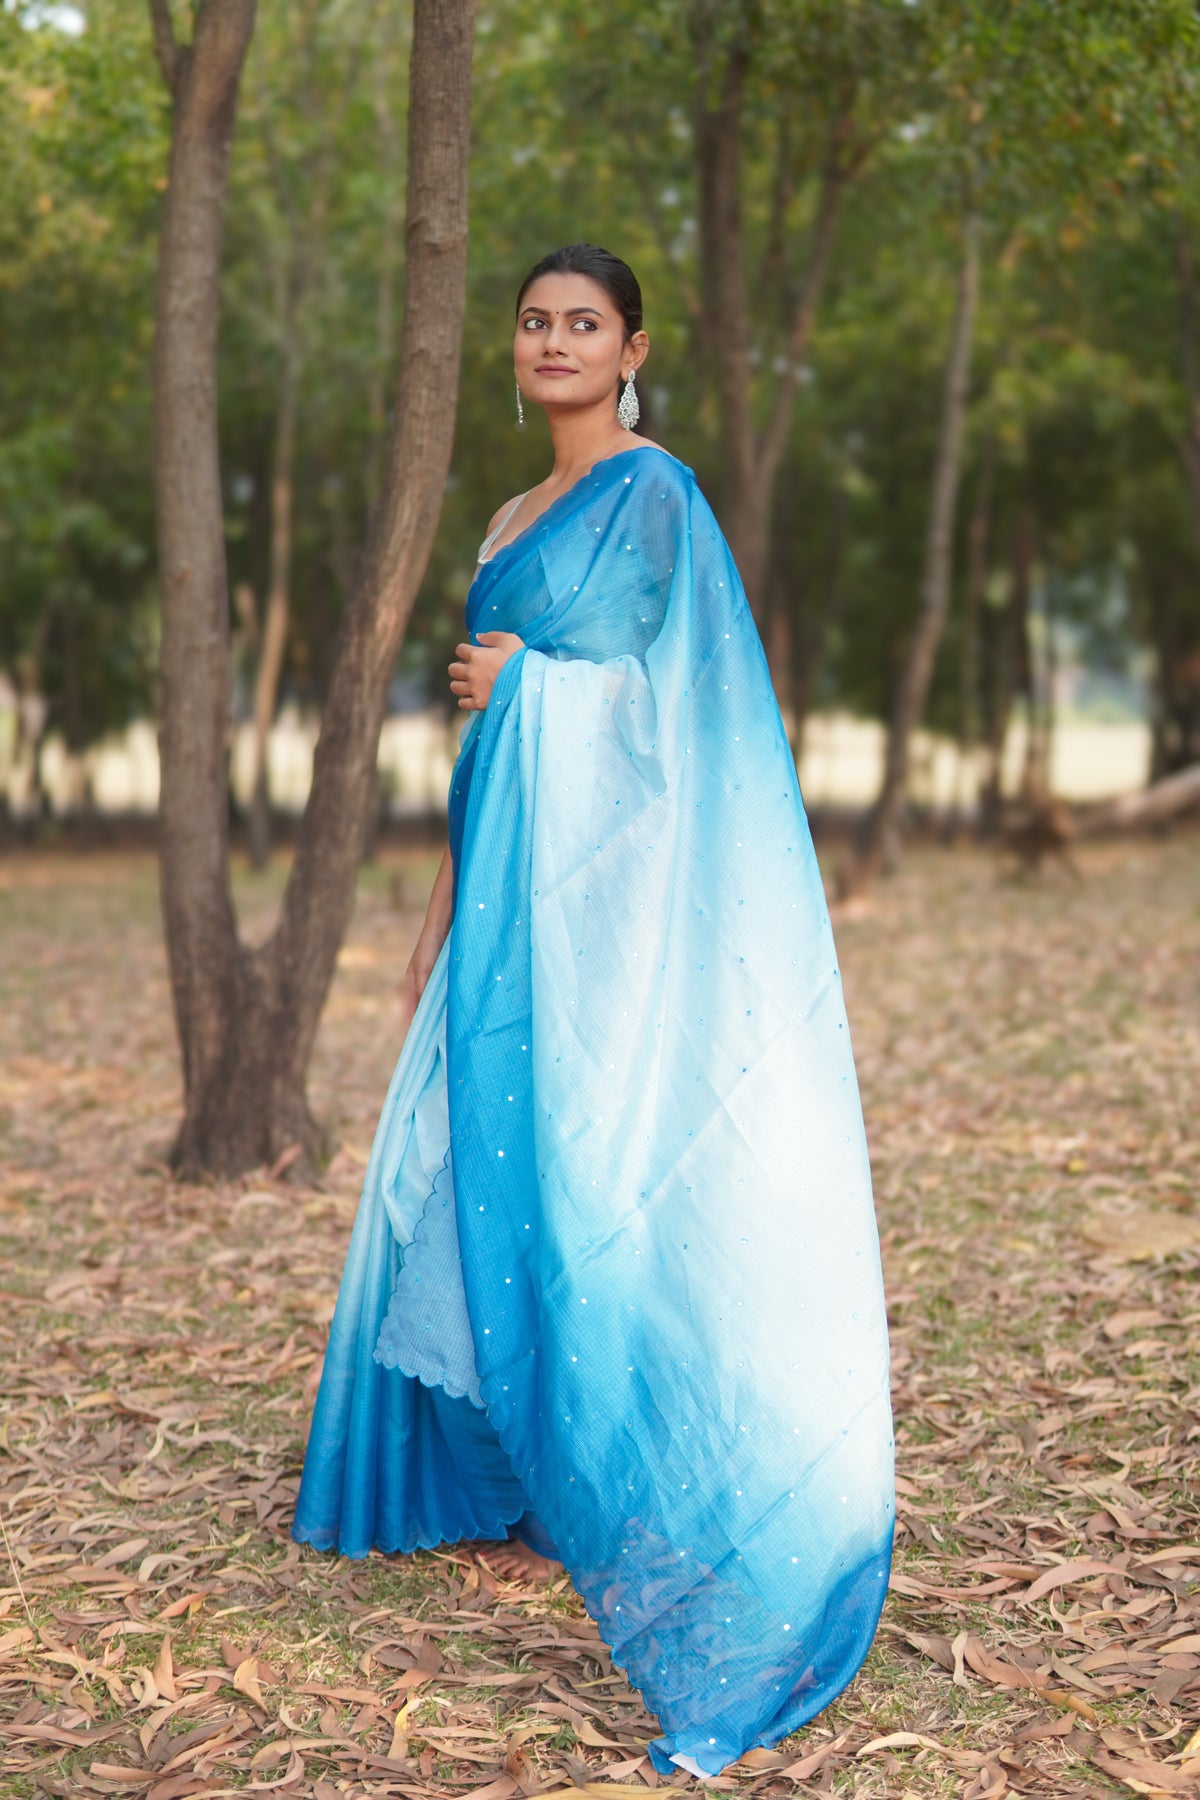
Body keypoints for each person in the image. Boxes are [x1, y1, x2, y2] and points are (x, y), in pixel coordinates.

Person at [293, 244, 894, 1779]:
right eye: (534, 322)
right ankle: (489, 1461)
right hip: (501, 879)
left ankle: (623, 1455)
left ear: (633, 348)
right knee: (457, 1155)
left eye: (584, 323)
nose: (554, 341)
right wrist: (440, 904)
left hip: (612, 908)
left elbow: (694, 716)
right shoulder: (510, 517)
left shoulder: (658, 497)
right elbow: (482, 742)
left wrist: (534, 690)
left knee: (588, 1163)